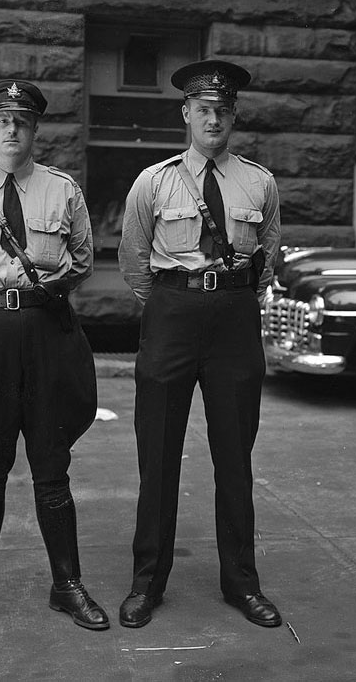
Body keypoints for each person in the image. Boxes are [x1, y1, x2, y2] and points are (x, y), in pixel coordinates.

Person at [0, 79, 109, 637]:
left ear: (36, 130)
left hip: (47, 334)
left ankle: (68, 586)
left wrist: (36, 298)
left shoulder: (62, 191)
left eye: (23, 121)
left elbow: (81, 260)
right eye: (2, 120)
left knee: (52, 464)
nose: (12, 129)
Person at [118, 59, 282, 629]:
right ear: (185, 114)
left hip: (235, 318)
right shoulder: (154, 181)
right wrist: (175, 302)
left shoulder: (258, 181)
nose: (214, 119)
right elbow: (136, 261)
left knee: (235, 456)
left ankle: (241, 582)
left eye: (223, 110)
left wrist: (229, 296)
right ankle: (147, 583)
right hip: (172, 314)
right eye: (204, 110)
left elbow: (268, 255)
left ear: (233, 116)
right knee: (157, 455)